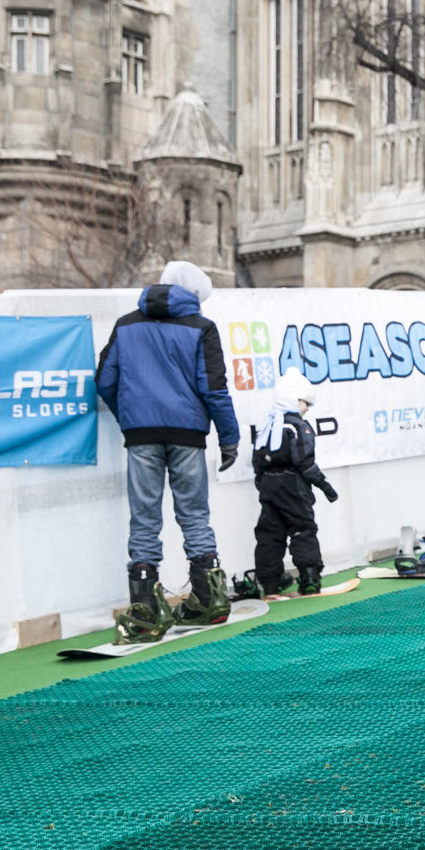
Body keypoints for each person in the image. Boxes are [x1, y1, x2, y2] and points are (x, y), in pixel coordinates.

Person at [95, 260, 239, 642]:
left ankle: (144, 609)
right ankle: (208, 600)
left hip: (141, 433)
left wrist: (129, 415)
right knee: (193, 514)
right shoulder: (201, 328)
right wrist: (229, 438)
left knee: (144, 519)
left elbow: (105, 379)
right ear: (193, 295)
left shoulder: (127, 325)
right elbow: (214, 389)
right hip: (188, 432)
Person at [251, 367, 337, 596]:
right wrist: (324, 486)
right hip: (293, 484)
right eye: (305, 402)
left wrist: (263, 484)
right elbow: (305, 462)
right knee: (302, 528)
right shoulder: (298, 427)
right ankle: (309, 577)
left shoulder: (267, 428)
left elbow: (257, 461)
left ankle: (269, 582)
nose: (307, 408)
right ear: (293, 398)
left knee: (269, 533)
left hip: (269, 485)